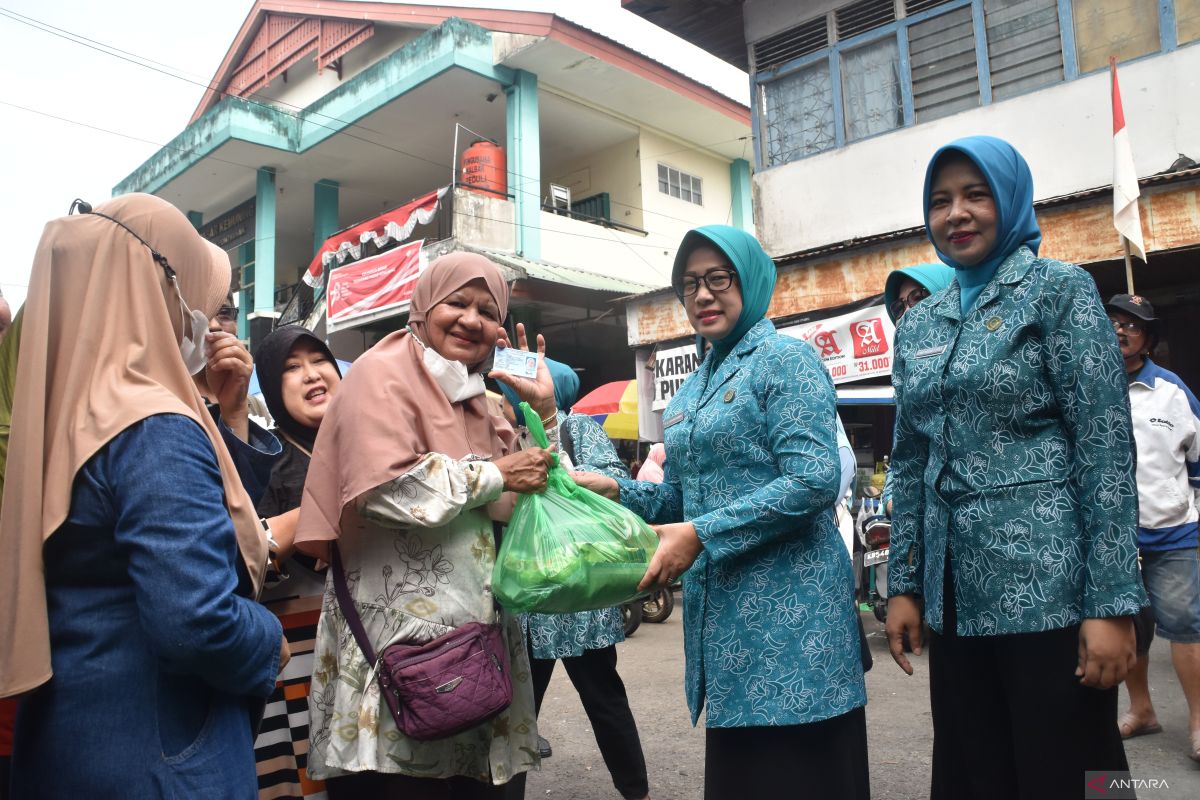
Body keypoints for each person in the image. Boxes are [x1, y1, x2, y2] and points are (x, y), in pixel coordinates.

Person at [885, 136, 1146, 799]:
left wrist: (1112, 606)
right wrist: (905, 585)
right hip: (955, 599)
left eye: (975, 194)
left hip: (1050, 590)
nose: (956, 214)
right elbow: (912, 460)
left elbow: (1105, 448)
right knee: (978, 772)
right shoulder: (920, 324)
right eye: (940, 201)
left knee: (1078, 775)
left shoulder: (1058, 290)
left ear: (1008, 197)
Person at [0, 194, 287, 797]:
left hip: (69, 738)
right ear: (156, 290)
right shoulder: (151, 424)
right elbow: (196, 620)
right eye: (199, 304)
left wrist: (228, 414)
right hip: (164, 751)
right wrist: (267, 640)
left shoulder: (62, 414)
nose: (204, 324)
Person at [574, 224, 869, 800]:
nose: (702, 295)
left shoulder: (786, 359)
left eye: (717, 278)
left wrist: (702, 535)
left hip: (795, 624)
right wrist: (615, 490)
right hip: (726, 632)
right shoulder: (688, 395)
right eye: (689, 285)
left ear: (750, 281)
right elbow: (684, 499)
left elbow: (813, 478)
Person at [293, 252, 557, 798]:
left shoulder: (479, 401)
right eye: (456, 303)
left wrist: (543, 413)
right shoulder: (377, 375)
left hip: (477, 657)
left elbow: (538, 494)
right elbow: (384, 489)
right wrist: (492, 475)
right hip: (399, 660)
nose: (471, 319)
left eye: (487, 311)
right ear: (422, 306)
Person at [498, 360, 651, 800]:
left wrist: (561, 478)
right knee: (518, 713)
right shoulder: (500, 431)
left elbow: (615, 483)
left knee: (604, 700)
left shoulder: (577, 428)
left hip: (580, 597)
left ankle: (635, 789)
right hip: (528, 600)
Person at [251, 325, 345, 799]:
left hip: (371, 645)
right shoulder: (261, 461)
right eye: (291, 367)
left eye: (318, 360)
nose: (311, 374)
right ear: (270, 385)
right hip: (298, 649)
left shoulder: (376, 442)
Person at [1105, 293, 1200, 762]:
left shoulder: (1172, 391)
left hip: (1173, 534)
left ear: (1148, 339)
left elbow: (1198, 459)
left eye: (1133, 325)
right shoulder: (1089, 386)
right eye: (1113, 322)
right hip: (1115, 538)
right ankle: (1141, 710)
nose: (1121, 331)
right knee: (1131, 627)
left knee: (1186, 626)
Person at [879, 263, 954, 518]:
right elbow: (904, 458)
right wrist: (894, 504)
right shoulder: (906, 382)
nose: (907, 312)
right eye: (899, 307)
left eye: (919, 297)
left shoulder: (983, 362)